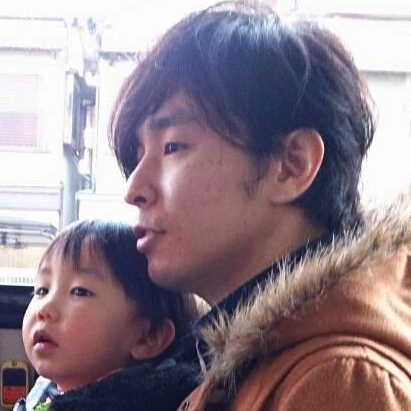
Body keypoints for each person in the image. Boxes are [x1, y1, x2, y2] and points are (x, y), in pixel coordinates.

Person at [109, 1, 411, 410]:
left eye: (172, 147)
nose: (134, 189)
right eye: (137, 155)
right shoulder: (251, 358)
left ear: (290, 165)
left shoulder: (341, 381)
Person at [15, 219, 200, 411]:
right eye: (42, 291)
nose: (44, 309)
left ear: (147, 337)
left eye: (79, 291)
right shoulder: (47, 392)